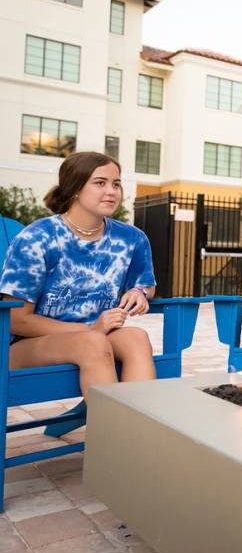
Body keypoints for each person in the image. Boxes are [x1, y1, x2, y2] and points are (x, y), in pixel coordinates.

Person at [0, 152, 157, 399]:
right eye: (100, 183)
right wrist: (89, 329)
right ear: (75, 188)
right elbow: (18, 320)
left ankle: (140, 427)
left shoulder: (131, 239)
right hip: (27, 346)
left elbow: (146, 285)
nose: (112, 191)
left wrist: (139, 292)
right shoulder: (37, 238)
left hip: (99, 335)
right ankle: (113, 434)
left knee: (136, 338)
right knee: (92, 342)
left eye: (116, 184)